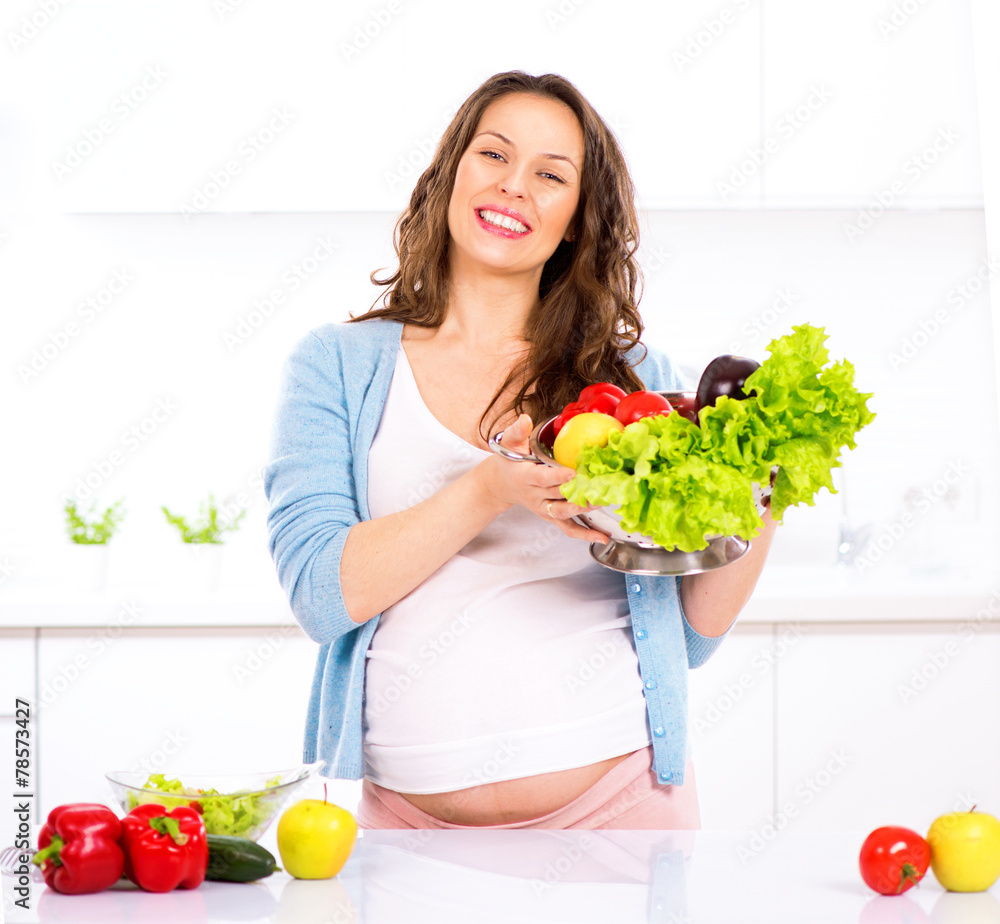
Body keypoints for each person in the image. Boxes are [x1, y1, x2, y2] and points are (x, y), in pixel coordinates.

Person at [263, 70, 778, 830]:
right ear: (449, 174)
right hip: (408, 831)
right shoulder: (335, 366)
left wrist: (763, 483)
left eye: (549, 175)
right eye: (493, 156)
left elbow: (693, 633)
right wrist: (490, 490)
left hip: (622, 812)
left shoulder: (641, 385)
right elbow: (320, 595)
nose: (513, 188)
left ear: (575, 218)